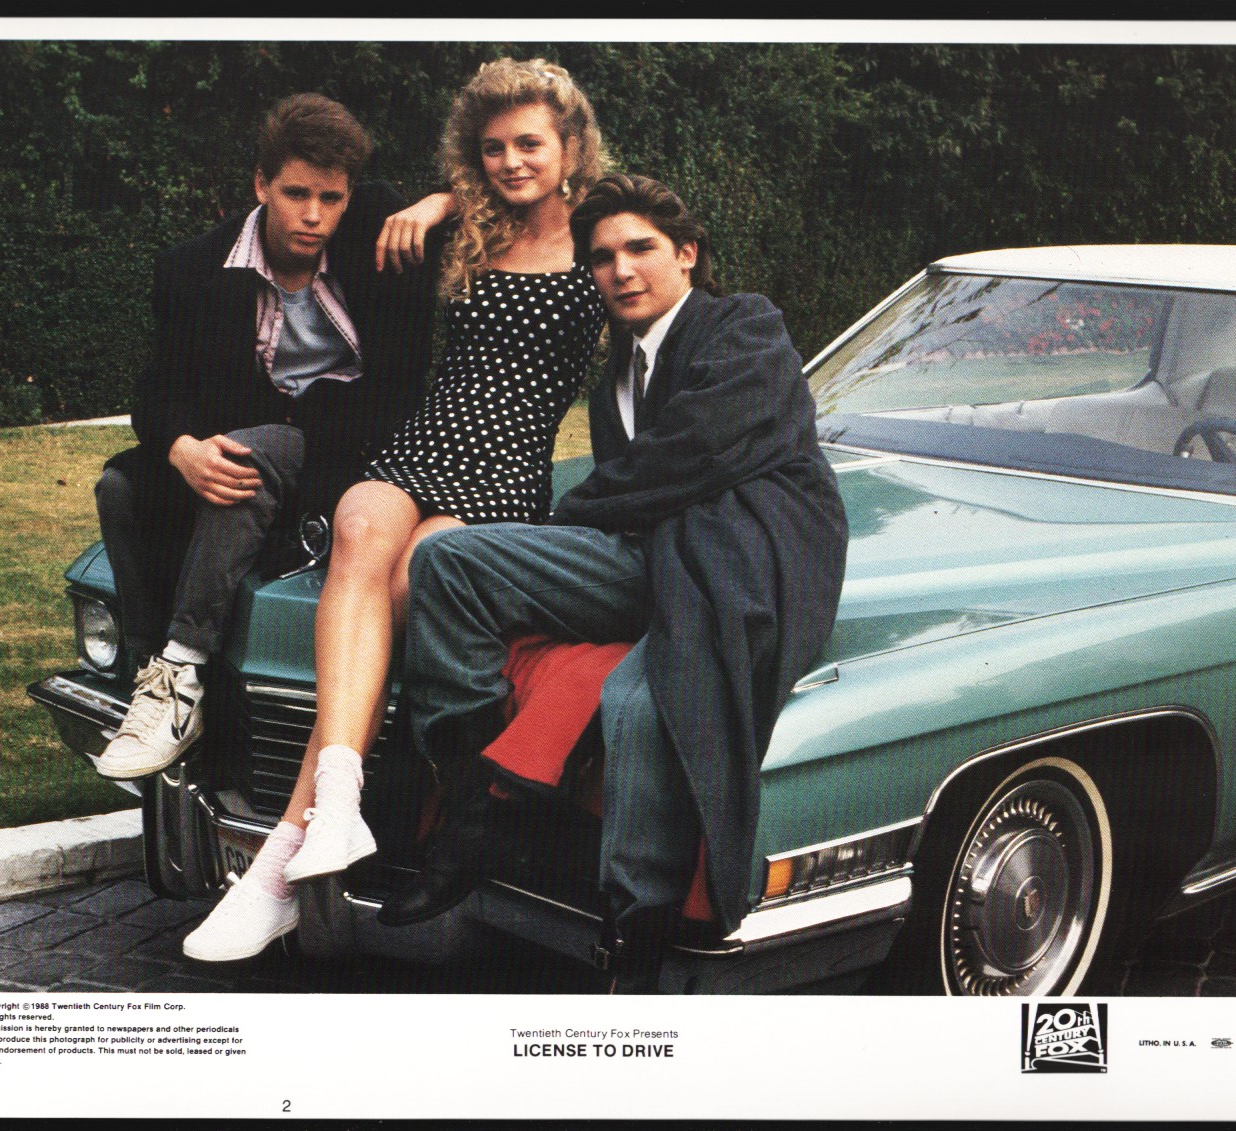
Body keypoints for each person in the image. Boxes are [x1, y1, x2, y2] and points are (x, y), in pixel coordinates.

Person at [181, 59, 609, 962]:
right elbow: (351, 197)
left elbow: (666, 277)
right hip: (424, 442)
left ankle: (282, 855)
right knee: (359, 522)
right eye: (491, 148)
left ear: (570, 147)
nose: (510, 162)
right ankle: (338, 805)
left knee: (415, 576)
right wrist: (439, 201)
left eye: (529, 144)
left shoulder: (604, 241)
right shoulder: (472, 225)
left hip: (503, 468)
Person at [379, 174, 850, 994]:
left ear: (686, 254)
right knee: (446, 561)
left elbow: (694, 451)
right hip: (647, 553)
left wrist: (571, 517)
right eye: (601, 257)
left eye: (640, 248)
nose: (621, 270)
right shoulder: (614, 382)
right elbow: (637, 497)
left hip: (740, 560)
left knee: (645, 695)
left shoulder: (746, 326)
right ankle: (480, 800)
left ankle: (636, 926)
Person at [94, 92, 434, 784]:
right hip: (250, 438)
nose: (314, 216)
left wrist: (437, 205)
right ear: (261, 184)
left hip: (354, 445)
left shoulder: (375, 231)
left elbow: (498, 190)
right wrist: (183, 448)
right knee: (121, 484)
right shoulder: (194, 268)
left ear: (350, 196)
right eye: (296, 194)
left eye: (331, 199)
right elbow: (156, 390)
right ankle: (149, 675)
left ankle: (183, 669)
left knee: (250, 452)